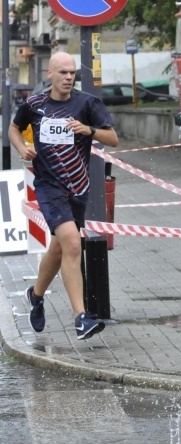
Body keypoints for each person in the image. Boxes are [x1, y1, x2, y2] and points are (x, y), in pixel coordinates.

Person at [9, 52, 119, 340]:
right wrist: (22, 148)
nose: (69, 77)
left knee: (59, 249)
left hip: (78, 189)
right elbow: (13, 128)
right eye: (63, 73)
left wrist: (90, 130)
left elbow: (113, 138)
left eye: (72, 73)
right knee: (71, 243)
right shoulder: (35, 105)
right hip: (48, 186)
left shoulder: (87, 103)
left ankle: (35, 295)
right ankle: (81, 318)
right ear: (50, 74)